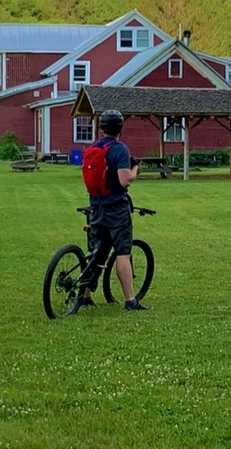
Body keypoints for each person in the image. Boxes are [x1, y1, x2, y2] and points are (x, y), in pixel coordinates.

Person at [80, 109, 148, 310]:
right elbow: (124, 179)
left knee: (95, 251)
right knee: (122, 253)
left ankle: (84, 295)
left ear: (101, 128)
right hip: (116, 208)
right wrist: (136, 170)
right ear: (120, 128)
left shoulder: (94, 148)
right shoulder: (120, 149)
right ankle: (130, 300)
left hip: (96, 207)